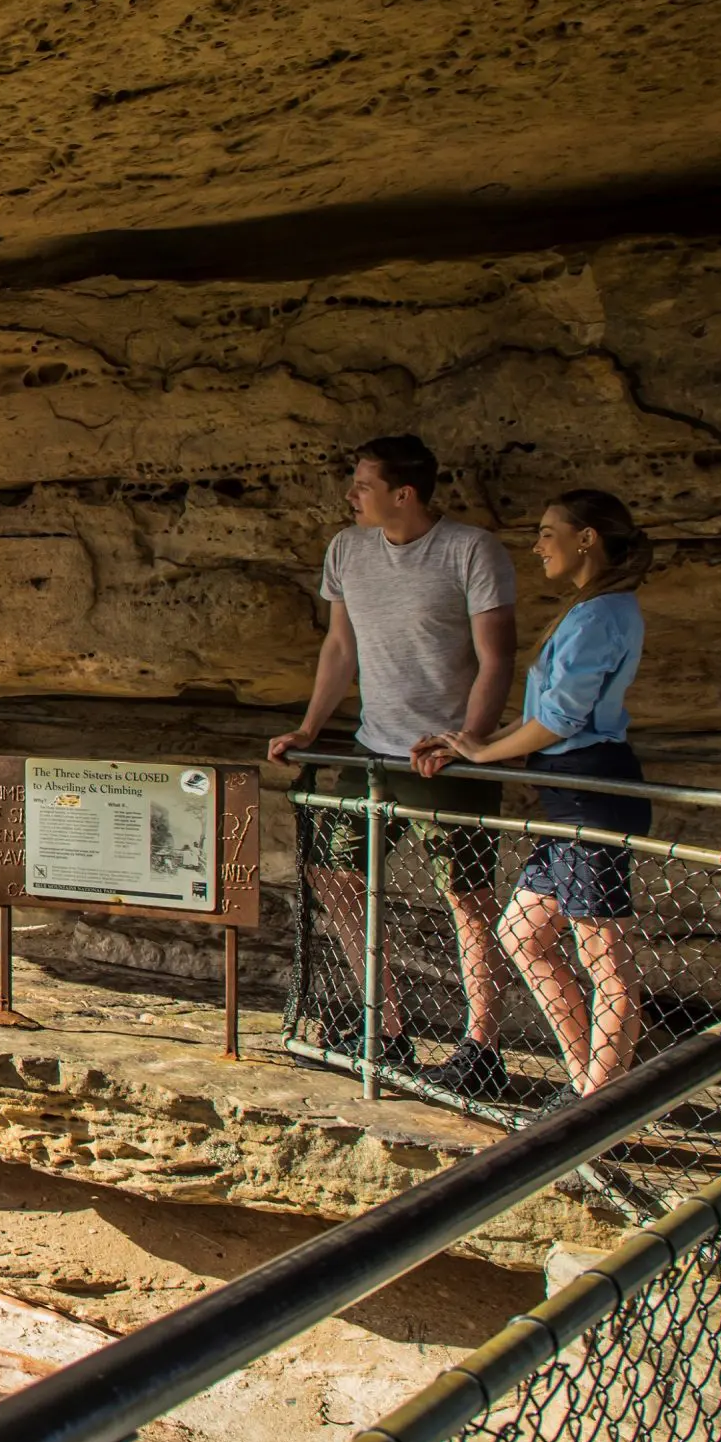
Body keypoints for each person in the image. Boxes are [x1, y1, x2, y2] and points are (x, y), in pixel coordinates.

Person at [266, 436, 518, 1093]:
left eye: (364, 485)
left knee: (467, 898)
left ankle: (482, 1049)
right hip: (374, 749)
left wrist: (468, 740)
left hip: (448, 758)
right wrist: (310, 726)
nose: (351, 496)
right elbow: (340, 646)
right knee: (333, 873)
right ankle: (387, 1027)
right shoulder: (347, 550)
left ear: (403, 494)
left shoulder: (471, 550)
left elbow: (497, 657)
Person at [418, 491, 653, 1097]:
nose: (537, 545)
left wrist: (482, 752)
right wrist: (475, 743)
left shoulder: (601, 614)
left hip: (590, 796)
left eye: (549, 532)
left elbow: (560, 719)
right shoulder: (593, 608)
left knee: (605, 958)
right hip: (568, 799)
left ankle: (598, 1109)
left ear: (587, 538)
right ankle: (587, 1088)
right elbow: (544, 716)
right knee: (522, 935)